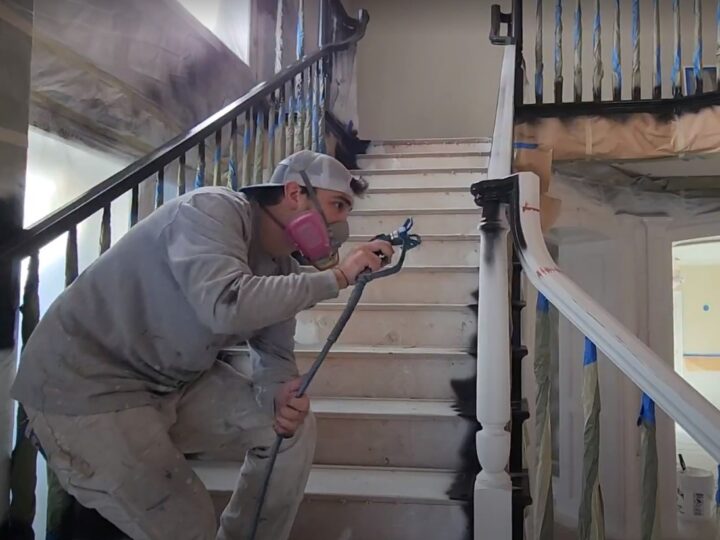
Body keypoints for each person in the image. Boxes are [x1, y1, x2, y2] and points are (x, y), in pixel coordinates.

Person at [11, 150, 394, 540]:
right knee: (187, 522)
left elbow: (274, 353)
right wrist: (339, 278)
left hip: (170, 382)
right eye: (338, 205)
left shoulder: (278, 266)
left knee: (290, 431)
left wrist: (280, 388)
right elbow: (226, 304)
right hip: (85, 388)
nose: (342, 224)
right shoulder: (211, 210)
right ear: (295, 192)